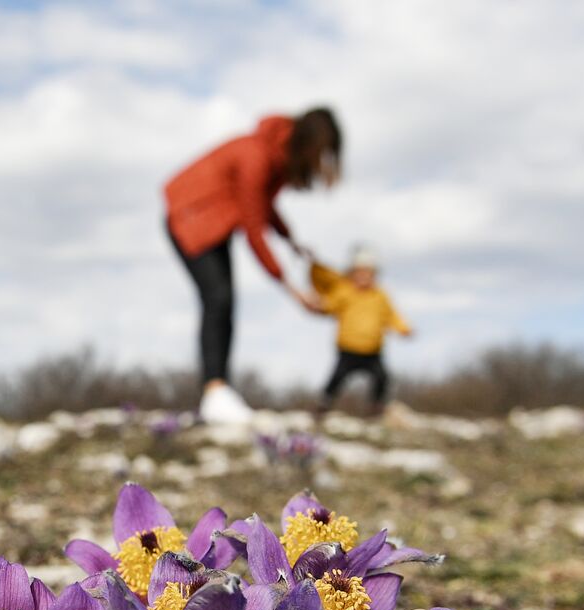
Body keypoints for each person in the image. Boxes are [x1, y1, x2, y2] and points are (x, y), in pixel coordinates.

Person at [165, 108, 342, 424]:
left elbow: (263, 205)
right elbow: (253, 228)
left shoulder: (273, 155)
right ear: (308, 144)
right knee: (218, 298)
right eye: (321, 155)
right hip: (190, 216)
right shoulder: (255, 156)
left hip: (214, 221)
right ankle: (215, 391)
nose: (319, 165)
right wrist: (290, 288)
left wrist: (291, 241)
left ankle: (218, 391)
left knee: (224, 301)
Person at [306, 244, 412, 416]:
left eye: (368, 272)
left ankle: (376, 407)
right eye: (359, 272)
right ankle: (323, 403)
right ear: (351, 273)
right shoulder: (344, 291)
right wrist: (318, 306)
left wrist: (403, 328)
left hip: (372, 349)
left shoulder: (380, 295)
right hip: (348, 347)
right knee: (337, 377)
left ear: (375, 274)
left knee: (382, 378)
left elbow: (391, 315)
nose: (363, 276)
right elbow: (329, 305)